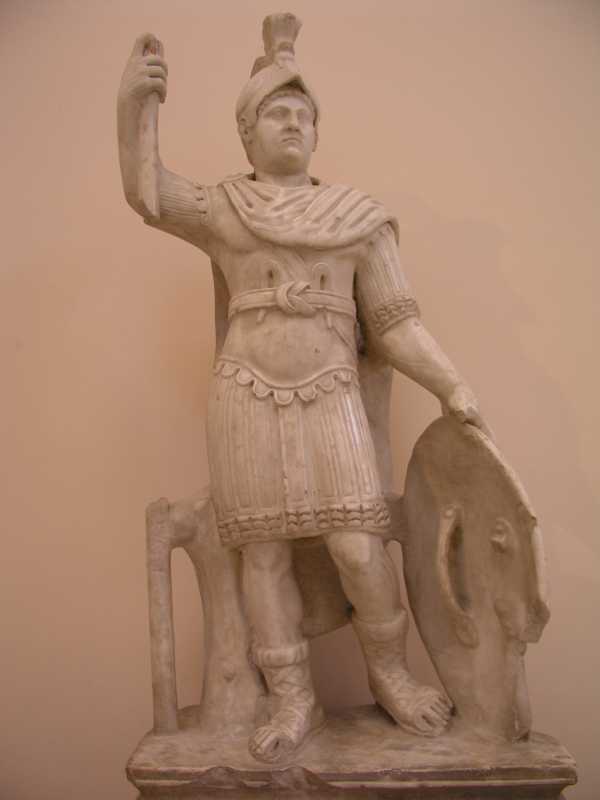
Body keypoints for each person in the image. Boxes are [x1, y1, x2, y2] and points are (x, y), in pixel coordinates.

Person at [117, 14, 488, 764]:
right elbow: (149, 193)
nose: (291, 124)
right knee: (263, 556)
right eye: (274, 114)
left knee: (357, 546)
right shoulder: (225, 208)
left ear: (317, 132)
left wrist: (452, 386)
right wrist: (136, 108)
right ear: (246, 134)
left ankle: (391, 675)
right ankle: (293, 697)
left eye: (302, 115)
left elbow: (396, 325)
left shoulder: (358, 221)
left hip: (330, 394)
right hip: (245, 394)